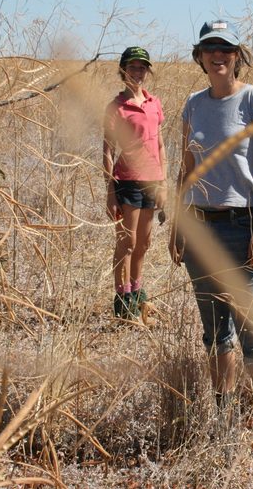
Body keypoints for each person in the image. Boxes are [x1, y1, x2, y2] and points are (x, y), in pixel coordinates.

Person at [169, 19, 253, 473]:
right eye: (209, 47)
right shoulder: (192, 105)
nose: (217, 54)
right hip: (201, 229)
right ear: (198, 56)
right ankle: (222, 426)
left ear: (238, 54)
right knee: (215, 334)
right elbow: (187, 169)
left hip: (244, 230)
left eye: (226, 47)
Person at [103, 46, 166, 321]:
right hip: (127, 181)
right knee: (126, 242)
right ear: (123, 70)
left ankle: (139, 295)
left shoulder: (154, 103)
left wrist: (163, 183)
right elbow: (107, 149)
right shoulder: (116, 107)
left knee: (144, 243)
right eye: (133, 67)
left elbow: (160, 144)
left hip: (152, 181)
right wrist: (110, 190)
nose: (138, 72)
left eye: (142, 67)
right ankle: (123, 299)